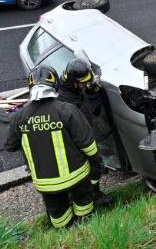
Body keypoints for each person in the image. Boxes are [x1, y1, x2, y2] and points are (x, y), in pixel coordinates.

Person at [5, 65, 104, 229]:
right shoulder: (67, 110)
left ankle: (65, 236)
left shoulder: (19, 116)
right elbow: (87, 144)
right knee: (84, 204)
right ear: (55, 84)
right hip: (78, 176)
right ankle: (86, 231)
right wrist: (97, 162)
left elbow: (10, 146)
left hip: (46, 184)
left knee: (58, 215)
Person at [59, 58, 113, 207]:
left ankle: (92, 192)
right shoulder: (65, 100)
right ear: (73, 82)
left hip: (85, 133)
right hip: (78, 142)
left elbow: (84, 96)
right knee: (94, 168)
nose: (85, 85)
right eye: (83, 83)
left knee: (95, 167)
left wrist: (92, 89)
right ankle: (92, 196)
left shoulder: (73, 88)